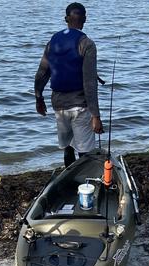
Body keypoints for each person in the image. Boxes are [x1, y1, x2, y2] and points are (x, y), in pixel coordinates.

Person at [34, 2, 103, 168]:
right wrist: (96, 116)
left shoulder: (53, 42)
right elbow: (89, 83)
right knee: (85, 151)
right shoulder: (87, 43)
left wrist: (38, 97)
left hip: (59, 105)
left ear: (66, 19)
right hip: (80, 106)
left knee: (68, 147)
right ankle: (85, 185)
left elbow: (42, 73)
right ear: (85, 19)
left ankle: (69, 179)